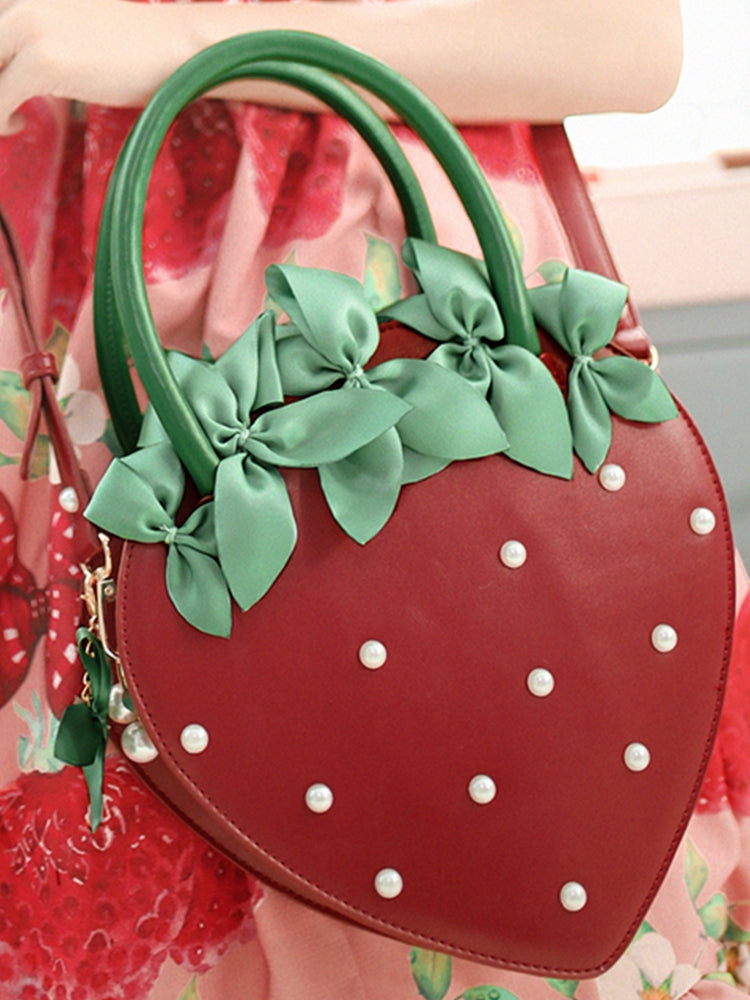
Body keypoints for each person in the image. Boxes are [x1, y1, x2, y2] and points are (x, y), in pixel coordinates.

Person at [3, 2, 749, 999]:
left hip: (386, 306)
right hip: (83, 341)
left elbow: (628, 41)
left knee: (446, 809)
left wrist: (176, 46)